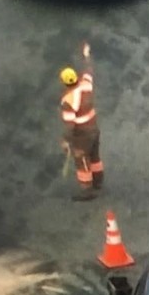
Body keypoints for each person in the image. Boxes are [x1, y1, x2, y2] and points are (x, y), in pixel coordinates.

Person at [60, 43, 103, 201]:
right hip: (94, 129)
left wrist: (66, 141)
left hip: (82, 135)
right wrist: (86, 55)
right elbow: (89, 70)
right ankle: (98, 181)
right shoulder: (86, 85)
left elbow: (70, 124)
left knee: (82, 160)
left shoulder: (68, 100)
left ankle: (87, 190)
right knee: (95, 156)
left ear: (64, 82)